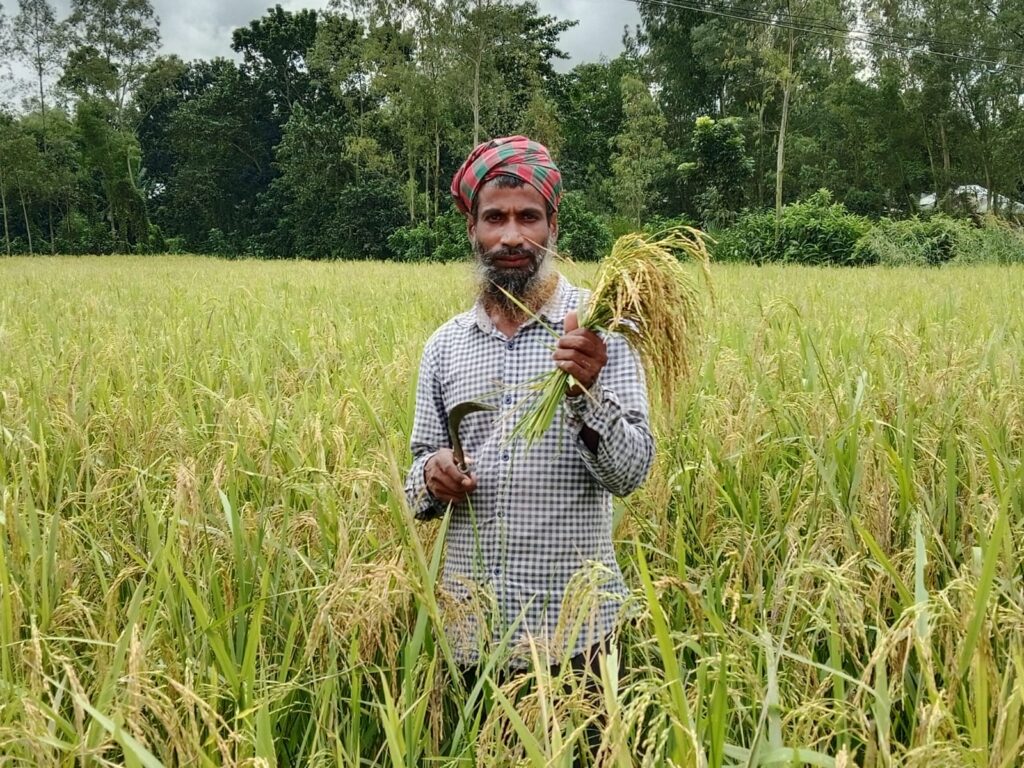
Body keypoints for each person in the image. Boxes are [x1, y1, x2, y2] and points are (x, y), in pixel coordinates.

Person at [404, 135, 654, 691]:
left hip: (578, 637)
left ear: (552, 225)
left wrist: (586, 392)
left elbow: (632, 473)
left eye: (528, 217)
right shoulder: (445, 346)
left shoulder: (601, 328)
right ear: (472, 229)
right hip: (472, 637)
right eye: (495, 218)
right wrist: (432, 477)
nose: (511, 236)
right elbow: (415, 481)